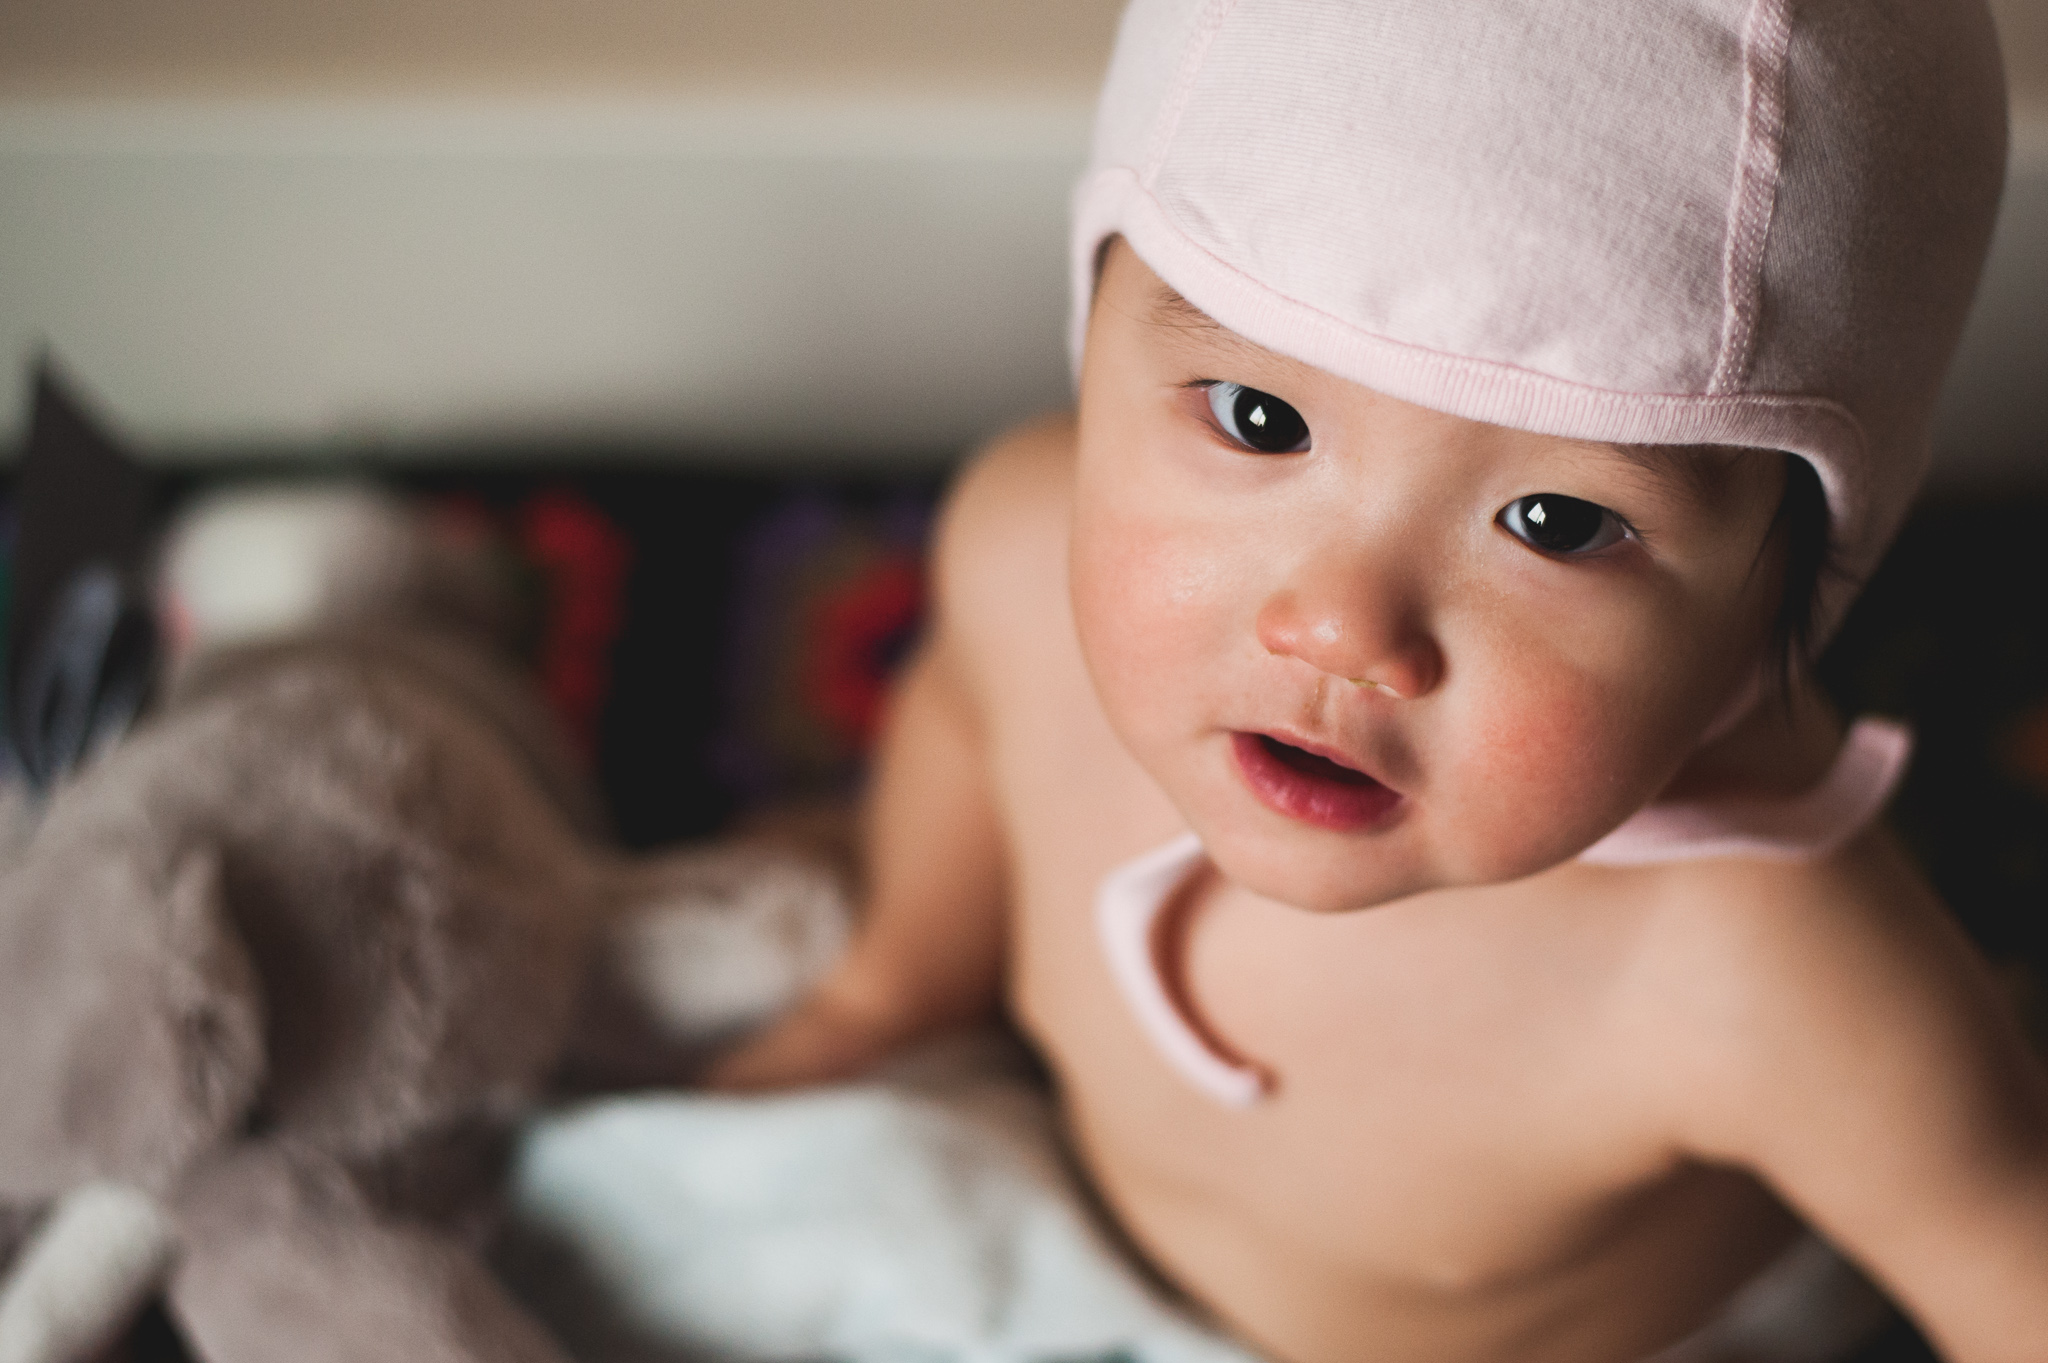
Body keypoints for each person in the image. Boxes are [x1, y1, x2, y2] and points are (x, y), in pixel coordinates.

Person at [708, 1, 2048, 1358]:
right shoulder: (1014, 551)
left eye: (1559, 524)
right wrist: (881, 991)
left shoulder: (1767, 964)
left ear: (1783, 612)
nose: (1344, 627)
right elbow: (963, 718)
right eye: (1259, 419)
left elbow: (2013, 1270)